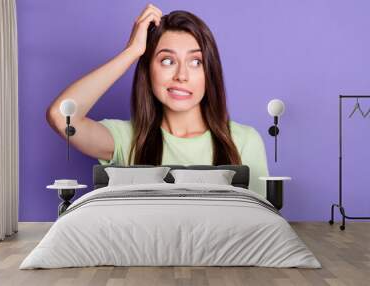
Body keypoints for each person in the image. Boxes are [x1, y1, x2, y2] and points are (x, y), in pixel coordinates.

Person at [46, 4, 269, 197]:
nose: (182, 75)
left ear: (209, 72)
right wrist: (132, 52)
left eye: (195, 62)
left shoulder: (243, 141)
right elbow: (61, 116)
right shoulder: (128, 139)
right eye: (167, 61)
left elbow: (262, 224)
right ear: (148, 69)